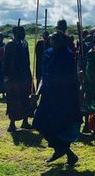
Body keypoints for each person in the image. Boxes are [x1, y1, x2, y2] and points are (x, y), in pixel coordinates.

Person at [32, 32, 81, 166]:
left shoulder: (67, 55)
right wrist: (37, 92)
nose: (52, 40)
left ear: (62, 41)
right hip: (47, 95)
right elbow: (43, 75)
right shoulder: (47, 53)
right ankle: (65, 152)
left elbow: (72, 79)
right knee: (38, 122)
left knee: (60, 126)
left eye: (55, 39)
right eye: (51, 38)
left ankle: (64, 152)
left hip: (63, 97)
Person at [4, 25, 34, 132]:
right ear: (16, 33)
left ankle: (25, 121)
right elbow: (6, 61)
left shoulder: (24, 43)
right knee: (13, 99)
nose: (24, 34)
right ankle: (12, 123)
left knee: (26, 98)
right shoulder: (10, 44)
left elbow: (27, 60)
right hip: (14, 76)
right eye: (22, 32)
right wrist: (6, 76)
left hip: (25, 75)